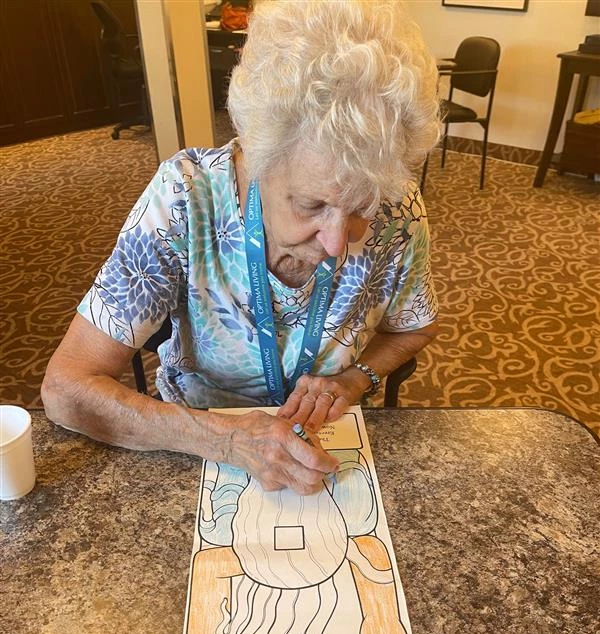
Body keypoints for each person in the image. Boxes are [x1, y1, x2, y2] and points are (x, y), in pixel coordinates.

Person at [42, 0, 440, 496]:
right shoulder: (186, 199)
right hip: (194, 449)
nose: (338, 242)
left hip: (331, 448)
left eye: (363, 205)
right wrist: (225, 441)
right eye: (311, 204)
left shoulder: (400, 211)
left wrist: (355, 380)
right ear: (255, 159)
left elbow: (413, 329)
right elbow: (66, 388)